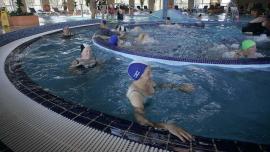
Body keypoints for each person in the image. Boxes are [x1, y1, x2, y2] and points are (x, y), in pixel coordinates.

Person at [126, 61, 193, 142]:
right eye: (148, 73)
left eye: (151, 70)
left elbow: (159, 86)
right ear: (139, 76)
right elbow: (141, 120)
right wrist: (166, 126)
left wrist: (178, 87)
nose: (152, 75)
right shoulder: (136, 95)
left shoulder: (148, 81)